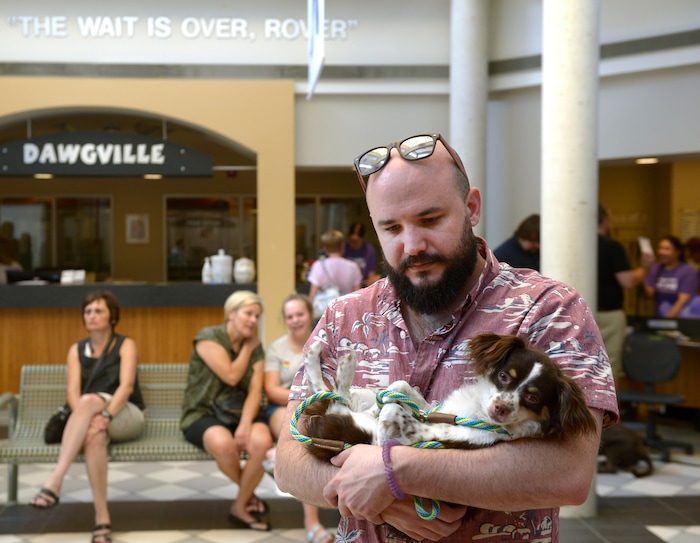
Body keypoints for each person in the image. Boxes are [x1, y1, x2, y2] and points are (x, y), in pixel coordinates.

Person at [275, 133, 618, 542]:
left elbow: (568, 474)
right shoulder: (344, 316)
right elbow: (289, 461)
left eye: (430, 220)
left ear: (471, 207)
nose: (412, 245)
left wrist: (396, 470)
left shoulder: (548, 309)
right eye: (391, 227)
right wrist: (389, 503)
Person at [29, 290, 146, 543]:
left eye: (99, 311)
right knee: (93, 436)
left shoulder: (126, 345)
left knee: (90, 400)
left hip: (125, 415)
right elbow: (73, 394)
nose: (92, 316)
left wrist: (105, 414)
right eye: (88, 311)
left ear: (112, 317)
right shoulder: (76, 350)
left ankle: (55, 480)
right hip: (91, 418)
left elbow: (126, 387)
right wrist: (95, 420)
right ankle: (102, 520)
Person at [180, 290, 273, 532]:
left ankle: (240, 505)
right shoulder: (208, 338)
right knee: (223, 445)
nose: (253, 320)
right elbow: (231, 376)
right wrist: (247, 347)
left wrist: (244, 424)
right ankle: (248, 499)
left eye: (257, 316)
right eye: (248, 313)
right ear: (231, 313)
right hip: (202, 412)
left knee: (261, 444)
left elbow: (255, 390)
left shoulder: (256, 347)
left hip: (242, 412)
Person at [264, 293, 335, 543]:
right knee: (302, 440)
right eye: (290, 316)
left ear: (310, 315)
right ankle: (311, 522)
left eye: (300, 314)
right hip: (280, 410)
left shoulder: (326, 344)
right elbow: (271, 389)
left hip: (319, 410)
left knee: (313, 435)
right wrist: (302, 398)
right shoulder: (277, 348)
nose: (295, 320)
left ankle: (277, 457)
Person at [597, 204, 653, 380]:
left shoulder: (569, 244)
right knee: (609, 365)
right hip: (609, 314)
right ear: (605, 220)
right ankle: (606, 407)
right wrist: (644, 267)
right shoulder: (611, 247)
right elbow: (628, 281)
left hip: (576, 311)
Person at [644, 235, 699, 318]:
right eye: (660, 248)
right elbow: (649, 295)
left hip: (681, 317)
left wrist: (667, 320)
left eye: (666, 249)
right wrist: (644, 269)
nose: (661, 252)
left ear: (678, 252)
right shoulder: (655, 268)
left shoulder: (688, 271)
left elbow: (683, 300)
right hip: (660, 314)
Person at [307, 230, 362, 303]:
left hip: (325, 310)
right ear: (342, 246)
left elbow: (312, 295)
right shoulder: (353, 267)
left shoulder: (318, 265)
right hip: (345, 309)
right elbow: (357, 296)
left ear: (325, 248)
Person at [343, 222, 381, 286]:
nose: (355, 237)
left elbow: (371, 274)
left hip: (363, 284)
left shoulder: (369, 250)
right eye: (352, 234)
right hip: (345, 284)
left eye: (358, 235)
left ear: (364, 236)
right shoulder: (343, 248)